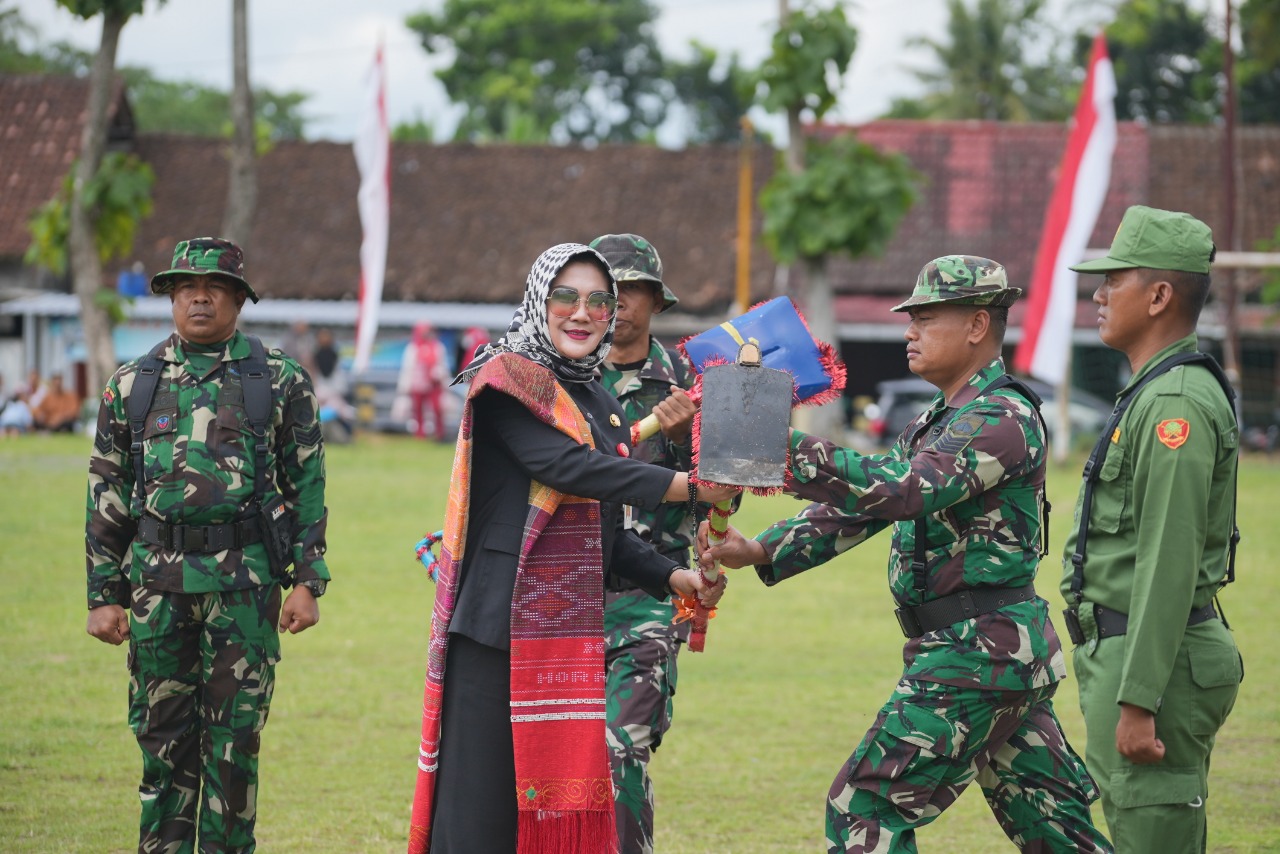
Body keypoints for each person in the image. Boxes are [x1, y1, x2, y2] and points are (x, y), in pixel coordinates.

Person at [701, 256, 1112, 853]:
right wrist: (762, 547)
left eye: (925, 318)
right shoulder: (944, 419)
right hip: (995, 655)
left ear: (977, 325)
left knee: (864, 810)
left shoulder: (1002, 415)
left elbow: (903, 490)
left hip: (974, 654)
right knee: (1057, 832)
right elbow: (864, 506)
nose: (908, 331)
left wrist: (771, 437)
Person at [407, 242, 735, 854]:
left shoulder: (601, 405)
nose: (581, 312)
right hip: (494, 630)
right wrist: (687, 485)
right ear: (539, 300)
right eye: (565, 296)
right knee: (479, 820)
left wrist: (673, 579)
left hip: (565, 635)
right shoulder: (507, 379)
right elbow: (564, 467)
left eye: (597, 301)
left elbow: (603, 533)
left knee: (552, 816)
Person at [84, 237, 331, 853]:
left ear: (239, 299)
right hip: (156, 592)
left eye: (215, 286)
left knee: (234, 747)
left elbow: (307, 482)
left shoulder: (277, 379)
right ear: (169, 295)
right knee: (163, 743)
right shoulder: (131, 385)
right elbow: (106, 491)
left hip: (245, 592)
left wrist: (307, 579)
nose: (200, 296)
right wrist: (102, 594)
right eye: (186, 286)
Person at [1061, 206, 1243, 853]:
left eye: (1115, 280)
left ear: (1160, 295)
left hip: (1152, 665)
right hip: (1131, 652)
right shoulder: (1152, 390)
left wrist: (1138, 699)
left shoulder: (1174, 404)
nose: (1099, 294)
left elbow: (1168, 558)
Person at [589, 233, 700, 853]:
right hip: (565, 593)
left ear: (656, 302)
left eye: (635, 289)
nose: (622, 301)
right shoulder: (563, 376)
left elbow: (723, 497)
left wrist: (686, 444)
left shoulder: (690, 382)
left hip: (651, 592)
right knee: (552, 757)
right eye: (612, 289)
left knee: (621, 747)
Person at [398, 321, 449, 440]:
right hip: (418, 384)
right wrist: (405, 385)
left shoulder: (437, 347)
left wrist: (440, 375)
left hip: (434, 384)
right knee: (417, 410)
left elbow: (443, 365)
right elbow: (407, 368)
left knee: (437, 408)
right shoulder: (412, 348)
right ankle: (420, 433)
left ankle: (439, 432)